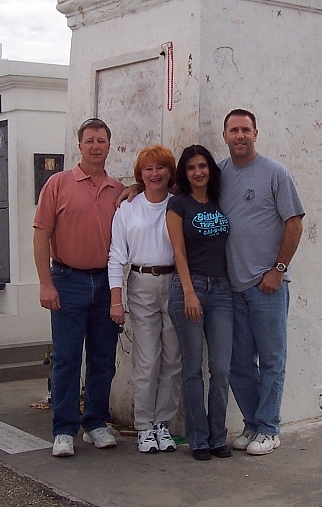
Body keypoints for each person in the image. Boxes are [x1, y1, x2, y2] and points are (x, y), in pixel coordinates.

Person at [33, 118, 124, 458]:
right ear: (80, 145)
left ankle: (96, 423)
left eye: (101, 140)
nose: (96, 146)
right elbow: (40, 234)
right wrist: (46, 283)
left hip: (105, 283)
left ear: (109, 145)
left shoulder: (117, 190)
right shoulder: (57, 185)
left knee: (103, 359)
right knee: (67, 358)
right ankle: (64, 428)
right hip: (67, 281)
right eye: (90, 140)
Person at [220, 108, 305, 456]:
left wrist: (278, 270)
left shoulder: (275, 173)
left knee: (271, 359)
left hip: (266, 286)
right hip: (231, 287)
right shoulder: (219, 173)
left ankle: (269, 428)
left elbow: (295, 222)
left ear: (256, 133)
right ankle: (252, 424)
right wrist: (135, 186)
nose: (239, 136)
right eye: (233, 130)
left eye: (245, 130)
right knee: (237, 363)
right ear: (224, 136)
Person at [108, 145, 181, 454]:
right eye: (148, 169)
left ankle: (163, 424)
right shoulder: (128, 208)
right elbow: (115, 257)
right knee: (147, 359)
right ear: (140, 174)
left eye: (160, 168)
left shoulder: (179, 206)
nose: (155, 174)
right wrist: (116, 301)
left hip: (174, 282)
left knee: (173, 359)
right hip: (141, 284)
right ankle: (143, 426)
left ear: (169, 173)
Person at [166, 145, 233, 461]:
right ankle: (198, 439)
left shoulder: (221, 200)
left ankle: (219, 435)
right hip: (189, 288)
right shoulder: (178, 205)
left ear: (210, 169)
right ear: (185, 172)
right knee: (192, 368)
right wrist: (190, 293)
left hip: (222, 291)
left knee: (220, 368)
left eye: (202, 166)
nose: (198, 172)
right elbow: (178, 251)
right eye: (191, 167)